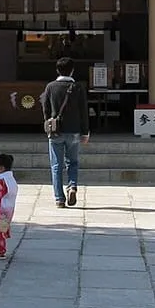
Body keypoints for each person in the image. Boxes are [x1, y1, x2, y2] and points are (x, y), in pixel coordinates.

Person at [40, 56, 89, 209]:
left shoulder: (50, 87)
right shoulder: (78, 87)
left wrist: (48, 122)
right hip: (74, 130)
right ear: (72, 70)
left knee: (56, 165)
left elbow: (45, 108)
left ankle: (59, 198)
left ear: (57, 70)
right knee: (72, 162)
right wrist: (85, 132)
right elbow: (84, 111)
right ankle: (72, 186)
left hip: (55, 131)